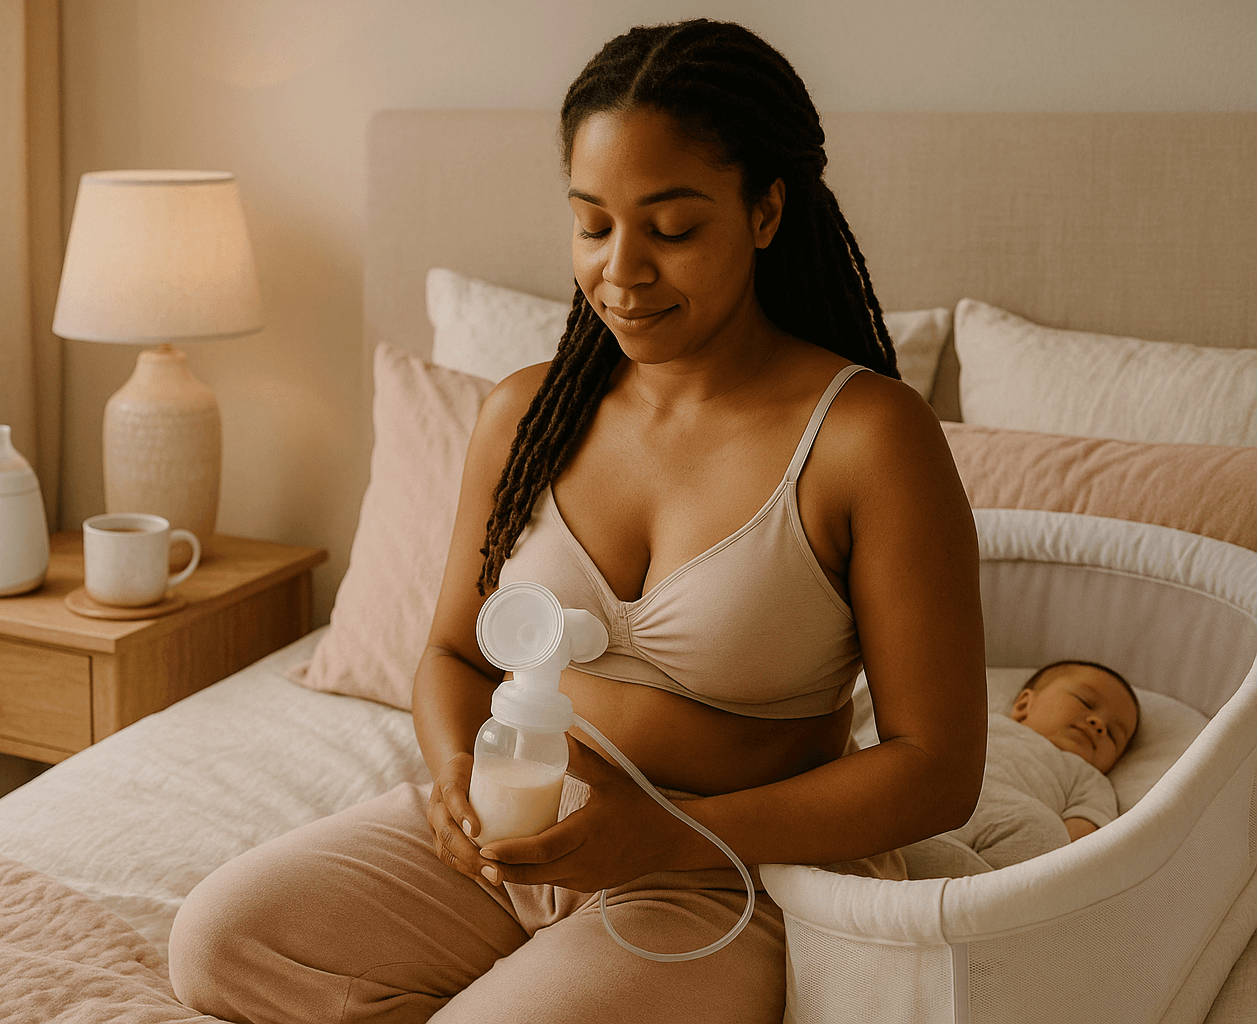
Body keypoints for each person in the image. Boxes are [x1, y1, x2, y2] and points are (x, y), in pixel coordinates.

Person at [168, 18, 987, 1024]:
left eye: (673, 229)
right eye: (594, 226)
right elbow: (451, 656)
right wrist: (460, 779)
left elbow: (936, 769)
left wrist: (668, 835)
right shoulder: (524, 414)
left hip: (721, 874)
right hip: (515, 837)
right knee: (219, 943)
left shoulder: (866, 436)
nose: (623, 271)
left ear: (767, 209)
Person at [945, 661, 1140, 870]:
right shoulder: (984, 722)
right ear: (1023, 705)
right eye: (1085, 702)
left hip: (1007, 824)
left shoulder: (1089, 778)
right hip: (941, 803)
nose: (1099, 724)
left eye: (1113, 734)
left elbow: (1080, 844)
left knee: (1045, 829)